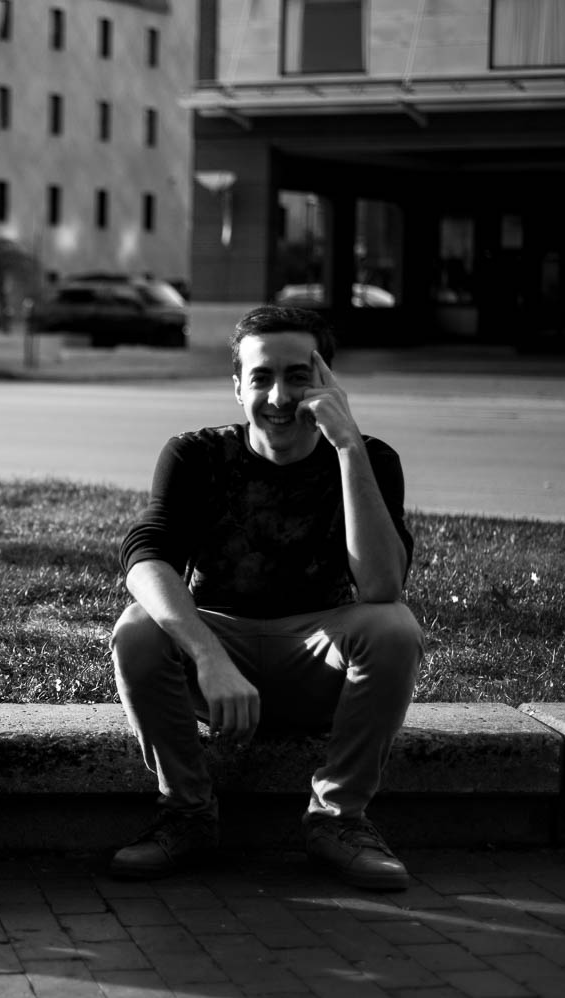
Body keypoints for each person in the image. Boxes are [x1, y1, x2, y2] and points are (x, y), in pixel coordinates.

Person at [109, 305, 424, 891]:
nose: (279, 396)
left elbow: (381, 588)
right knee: (137, 627)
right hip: (218, 664)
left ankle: (339, 822)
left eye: (298, 376)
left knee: (394, 627)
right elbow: (146, 558)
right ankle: (188, 815)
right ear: (237, 388)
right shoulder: (195, 455)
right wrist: (208, 656)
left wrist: (348, 446)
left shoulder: (372, 459)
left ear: (329, 382)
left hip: (318, 659)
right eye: (261, 378)